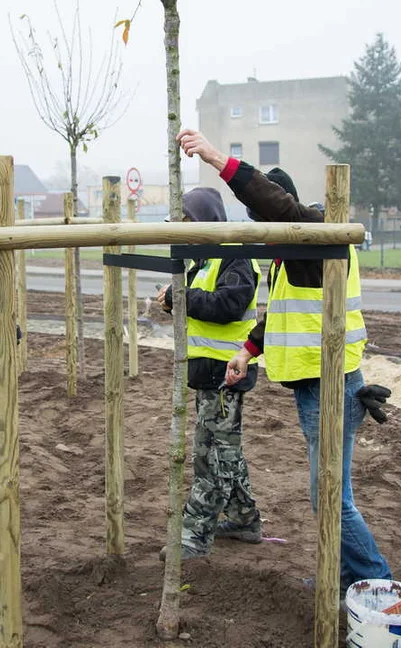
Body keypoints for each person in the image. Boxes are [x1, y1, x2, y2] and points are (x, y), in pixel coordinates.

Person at [177, 128, 393, 595]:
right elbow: (278, 318)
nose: (261, 230)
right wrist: (247, 351)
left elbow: (280, 209)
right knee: (329, 496)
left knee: (333, 499)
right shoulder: (290, 261)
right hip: (316, 382)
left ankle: (377, 584)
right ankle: (345, 577)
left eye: (264, 221)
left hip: (330, 384)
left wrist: (216, 158)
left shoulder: (311, 239)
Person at [156, 187, 265, 560]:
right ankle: (244, 518)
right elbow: (204, 310)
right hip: (208, 373)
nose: (181, 230)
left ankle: (194, 534)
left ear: (205, 220)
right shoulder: (202, 261)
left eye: (186, 222)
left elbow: (230, 305)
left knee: (212, 456)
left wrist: (181, 298)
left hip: (226, 374)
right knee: (224, 451)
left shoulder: (234, 256)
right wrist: (175, 301)